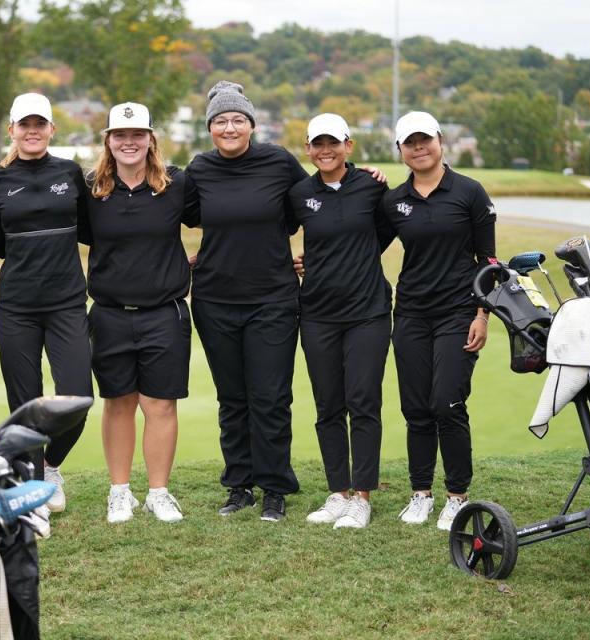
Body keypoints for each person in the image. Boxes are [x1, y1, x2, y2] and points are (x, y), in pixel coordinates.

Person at [185, 81, 308, 522]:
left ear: (252, 125)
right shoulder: (199, 169)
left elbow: (315, 206)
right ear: (210, 129)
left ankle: (274, 487)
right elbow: (168, 213)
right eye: (221, 121)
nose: (230, 127)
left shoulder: (278, 162)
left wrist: (313, 256)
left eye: (238, 119)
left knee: (270, 396)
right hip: (215, 299)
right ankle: (239, 485)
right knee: (232, 397)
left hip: (272, 298)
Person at [80, 102, 195, 524]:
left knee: (160, 404)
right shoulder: (91, 189)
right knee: (118, 402)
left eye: (137, 134)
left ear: (151, 139)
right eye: (120, 135)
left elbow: (222, 217)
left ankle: (159, 492)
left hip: (164, 312)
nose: (129, 142)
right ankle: (120, 492)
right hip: (109, 312)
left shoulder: (176, 184)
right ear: (109, 141)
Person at [384, 111, 496, 530]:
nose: (418, 147)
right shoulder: (393, 201)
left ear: (440, 141)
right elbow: (363, 245)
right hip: (411, 312)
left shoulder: (469, 192)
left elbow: (489, 261)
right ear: (400, 150)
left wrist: (483, 315)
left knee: (446, 404)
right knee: (415, 407)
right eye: (409, 142)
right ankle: (420, 494)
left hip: (459, 312)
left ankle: (456, 496)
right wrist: (315, 261)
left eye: (424, 139)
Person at [0, 93, 92, 514]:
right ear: (11, 130)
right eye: (23, 124)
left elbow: (95, 232)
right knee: (24, 403)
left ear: (51, 129)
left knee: (77, 396)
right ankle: (31, 488)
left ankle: (50, 466)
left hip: (66, 302)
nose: (32, 131)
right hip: (16, 307)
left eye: (39, 124)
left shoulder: (69, 173)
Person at [288, 114, 392, 529]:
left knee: (363, 401)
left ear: (349, 145)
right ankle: (338, 492)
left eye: (333, 142)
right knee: (328, 404)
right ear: (308, 149)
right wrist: (300, 261)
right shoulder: (299, 193)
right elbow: (273, 232)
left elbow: (386, 232)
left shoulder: (372, 186)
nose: (325, 150)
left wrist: (357, 255)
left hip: (367, 311)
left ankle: (362, 496)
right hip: (317, 313)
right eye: (318, 144)